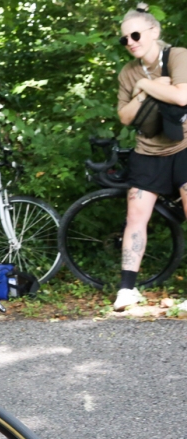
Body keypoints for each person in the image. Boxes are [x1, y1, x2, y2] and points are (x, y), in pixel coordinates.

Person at [114, 3, 187, 311]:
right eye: (124, 39)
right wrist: (146, 88)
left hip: (183, 147)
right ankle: (127, 290)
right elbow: (125, 117)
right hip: (148, 150)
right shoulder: (128, 73)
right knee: (135, 216)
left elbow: (183, 95)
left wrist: (147, 86)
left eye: (134, 34)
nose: (130, 42)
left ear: (154, 31)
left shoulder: (178, 56)